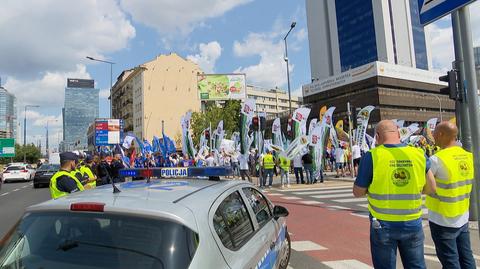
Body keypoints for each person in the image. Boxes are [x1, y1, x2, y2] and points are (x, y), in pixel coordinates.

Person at [353, 120, 436, 269]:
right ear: (398, 133)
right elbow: (431, 187)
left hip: (383, 224)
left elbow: (358, 192)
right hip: (413, 222)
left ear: (377, 137)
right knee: (416, 266)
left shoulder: (372, 156)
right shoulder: (418, 153)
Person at [426, 122, 476, 268]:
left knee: (450, 261)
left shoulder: (437, 159)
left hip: (442, 218)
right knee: (466, 257)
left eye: (434, 133)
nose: (433, 136)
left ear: (441, 134)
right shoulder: (467, 156)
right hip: (462, 215)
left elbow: (427, 187)